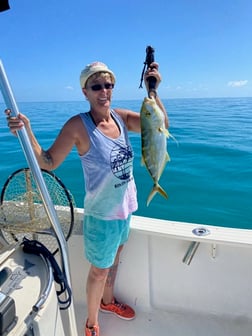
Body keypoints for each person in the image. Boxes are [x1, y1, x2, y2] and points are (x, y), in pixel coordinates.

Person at [6, 60, 169, 336]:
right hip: (102, 216)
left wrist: (154, 92)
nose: (104, 91)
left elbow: (159, 126)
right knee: (98, 272)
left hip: (125, 208)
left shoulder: (120, 117)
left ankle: (108, 303)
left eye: (108, 85)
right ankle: (92, 323)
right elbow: (47, 161)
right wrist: (26, 131)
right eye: (97, 86)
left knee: (114, 260)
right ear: (85, 91)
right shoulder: (78, 126)